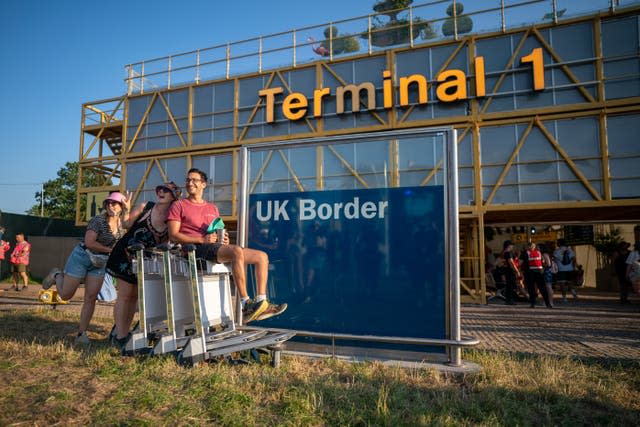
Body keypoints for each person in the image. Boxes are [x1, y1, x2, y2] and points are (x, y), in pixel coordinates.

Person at [167, 168, 286, 323]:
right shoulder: (179, 205)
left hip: (213, 246)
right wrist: (202, 239)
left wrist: (225, 239)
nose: (190, 183)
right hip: (195, 248)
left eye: (194, 180)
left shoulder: (212, 208)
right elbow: (173, 235)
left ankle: (261, 303)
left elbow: (218, 228)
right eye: (188, 180)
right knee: (236, 251)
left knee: (262, 257)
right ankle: (246, 305)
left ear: (203, 184)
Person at [42, 192, 129, 344]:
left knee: (90, 298)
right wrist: (112, 251)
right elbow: (90, 242)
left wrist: (127, 211)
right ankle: (57, 274)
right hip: (82, 257)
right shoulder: (98, 220)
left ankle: (81, 334)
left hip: (100, 262)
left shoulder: (123, 224)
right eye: (108, 203)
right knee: (66, 295)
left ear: (121, 206)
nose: (110, 205)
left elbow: (126, 234)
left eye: (114, 203)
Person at [106, 182, 180, 348]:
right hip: (125, 255)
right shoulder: (146, 206)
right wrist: (126, 209)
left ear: (174, 196)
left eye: (166, 190)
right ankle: (121, 336)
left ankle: (120, 332)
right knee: (125, 295)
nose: (161, 191)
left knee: (133, 298)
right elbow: (125, 225)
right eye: (159, 189)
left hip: (144, 260)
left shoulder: (173, 218)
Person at [524, 242, 552, 308]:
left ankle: (532, 303)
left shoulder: (526, 253)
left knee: (531, 288)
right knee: (542, 288)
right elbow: (543, 262)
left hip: (530, 272)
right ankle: (548, 303)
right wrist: (542, 268)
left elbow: (521, 262)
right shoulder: (539, 253)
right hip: (539, 272)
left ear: (528, 247)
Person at [553, 238, 578, 303]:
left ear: (559, 243)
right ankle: (573, 292)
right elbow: (574, 259)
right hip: (570, 269)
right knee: (570, 282)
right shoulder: (570, 250)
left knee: (562, 284)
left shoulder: (556, 251)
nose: (556, 244)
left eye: (557, 242)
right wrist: (573, 266)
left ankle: (564, 298)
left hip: (561, 269)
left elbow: (554, 260)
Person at [500, 240, 519, 305]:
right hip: (510, 271)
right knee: (511, 286)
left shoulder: (503, 252)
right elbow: (511, 263)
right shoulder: (508, 253)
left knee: (509, 285)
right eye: (512, 245)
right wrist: (517, 271)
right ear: (509, 246)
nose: (513, 247)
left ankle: (508, 300)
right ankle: (510, 300)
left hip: (506, 270)